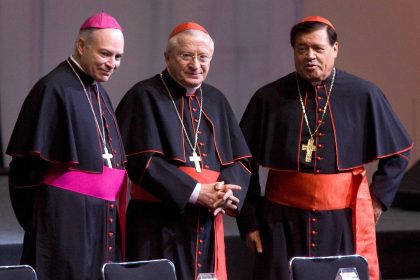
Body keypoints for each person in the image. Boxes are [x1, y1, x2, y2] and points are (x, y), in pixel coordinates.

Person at [237, 16, 412, 280]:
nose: (310, 56)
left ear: (335, 49)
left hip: (342, 220)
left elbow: (398, 153)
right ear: (293, 50)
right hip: (281, 220)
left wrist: (377, 200)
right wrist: (249, 220)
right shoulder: (268, 97)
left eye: (318, 48)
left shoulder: (363, 93)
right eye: (301, 48)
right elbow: (242, 162)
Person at [116, 22, 251, 280]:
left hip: (206, 224)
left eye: (203, 57)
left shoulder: (216, 99)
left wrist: (225, 194)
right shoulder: (144, 95)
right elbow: (140, 160)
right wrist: (196, 192)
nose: (196, 65)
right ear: (167, 57)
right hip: (157, 226)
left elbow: (239, 160)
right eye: (186, 55)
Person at [6, 12, 126, 280]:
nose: (112, 64)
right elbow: (23, 171)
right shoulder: (52, 88)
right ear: (82, 46)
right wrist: (50, 219)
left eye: (118, 57)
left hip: (100, 219)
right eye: (105, 54)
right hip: (65, 223)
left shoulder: (99, 91)